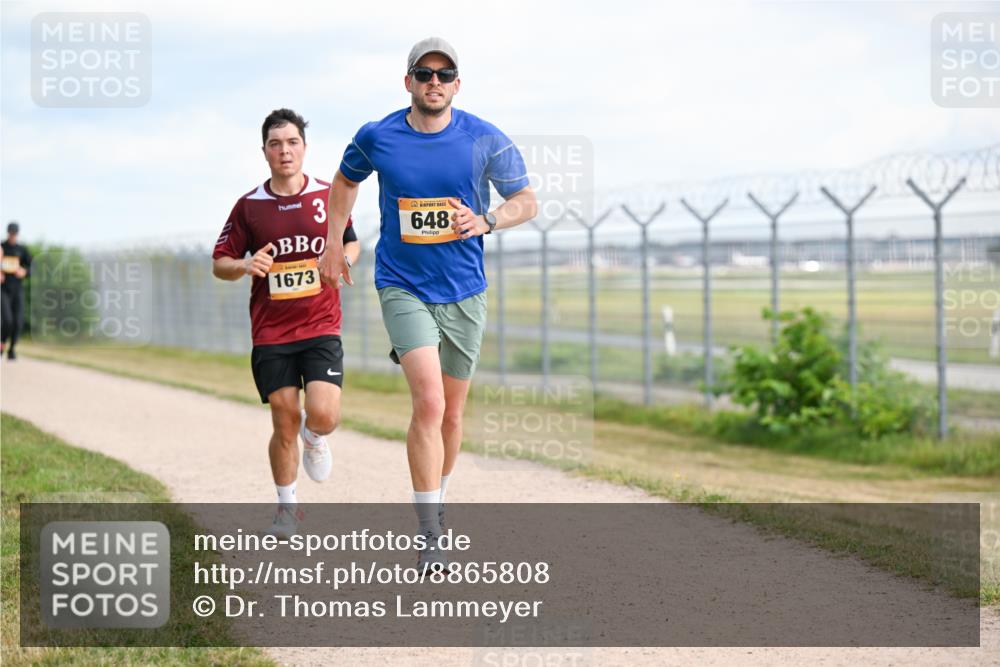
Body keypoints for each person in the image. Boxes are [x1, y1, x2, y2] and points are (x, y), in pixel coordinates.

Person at [318, 38, 537, 570]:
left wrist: (486, 220)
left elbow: (526, 201)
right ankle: (430, 531)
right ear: (408, 82)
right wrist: (332, 240)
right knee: (430, 404)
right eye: (423, 73)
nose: (433, 82)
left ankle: (438, 498)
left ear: (457, 84)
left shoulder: (484, 139)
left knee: (453, 415)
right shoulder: (378, 135)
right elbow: (345, 182)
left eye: (443, 74)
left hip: (464, 290)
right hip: (402, 284)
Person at [213, 109, 361, 538]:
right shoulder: (249, 206)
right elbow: (220, 263)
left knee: (323, 414)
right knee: (284, 418)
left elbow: (351, 244)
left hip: (320, 324)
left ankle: (315, 438)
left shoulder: (327, 195)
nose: (284, 151)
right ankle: (287, 509)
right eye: (275, 144)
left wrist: (340, 262)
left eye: (292, 142)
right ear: (264, 152)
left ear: (304, 148)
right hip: (271, 331)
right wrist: (245, 265)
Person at [1, 221, 32, 360]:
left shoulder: (22, 250)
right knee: (7, 320)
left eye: (15, 233)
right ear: (8, 233)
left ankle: (12, 348)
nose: (12, 235)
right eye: (11, 233)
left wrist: (25, 272)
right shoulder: (2, 248)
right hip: (3, 290)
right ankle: (2, 343)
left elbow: (33, 266)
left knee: (18, 322)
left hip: (17, 290)